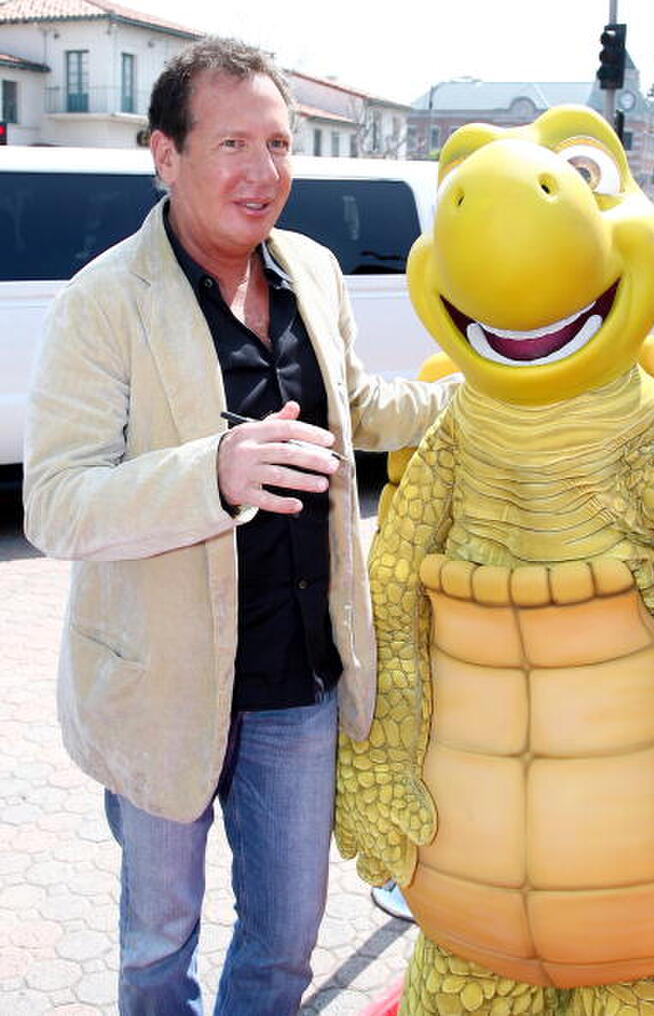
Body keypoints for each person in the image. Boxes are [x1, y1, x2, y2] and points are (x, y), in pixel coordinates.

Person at [23, 37, 453, 1016]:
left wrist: (489, 395)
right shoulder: (103, 301)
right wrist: (211, 470)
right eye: (231, 145)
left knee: (284, 940)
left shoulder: (309, 267)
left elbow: (356, 404)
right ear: (164, 155)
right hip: (159, 688)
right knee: (156, 946)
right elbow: (54, 501)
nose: (263, 173)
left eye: (279, 143)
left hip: (298, 682)